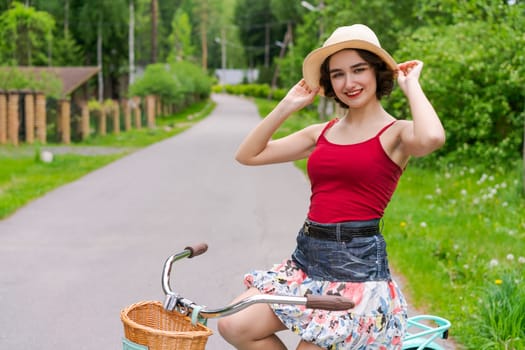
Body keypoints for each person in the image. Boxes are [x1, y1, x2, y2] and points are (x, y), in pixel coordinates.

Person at [218, 24, 445, 349]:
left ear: (377, 73)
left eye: (358, 70)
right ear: (328, 82)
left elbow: (432, 137)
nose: (349, 83)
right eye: (337, 74)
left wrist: (412, 87)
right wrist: (287, 105)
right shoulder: (320, 133)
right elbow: (248, 154)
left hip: (356, 273)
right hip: (306, 262)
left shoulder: (397, 134)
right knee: (233, 323)